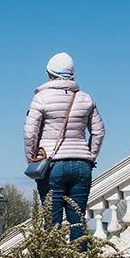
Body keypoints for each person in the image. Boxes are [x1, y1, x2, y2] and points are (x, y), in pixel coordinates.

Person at [24, 52, 105, 248]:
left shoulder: (41, 99)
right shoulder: (85, 98)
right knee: (78, 221)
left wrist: (33, 160)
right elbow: (99, 132)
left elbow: (29, 134)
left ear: (49, 74)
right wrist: (90, 157)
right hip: (81, 165)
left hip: (52, 165)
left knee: (52, 224)